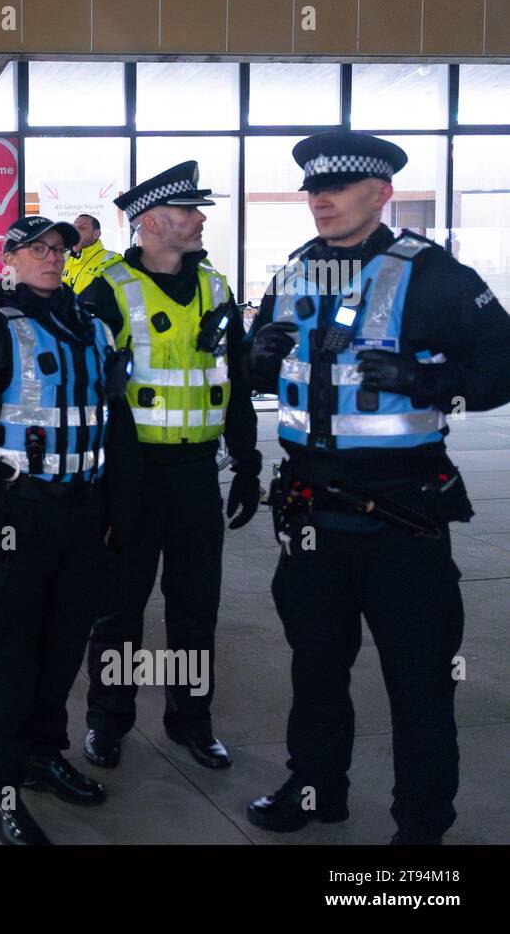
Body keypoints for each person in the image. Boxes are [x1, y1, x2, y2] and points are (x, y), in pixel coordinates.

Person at [243, 131, 510, 845]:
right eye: (311, 189)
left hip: (403, 519)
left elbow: (501, 366)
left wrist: (435, 381)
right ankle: (314, 788)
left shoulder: (434, 274)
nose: (319, 200)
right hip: (308, 516)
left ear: (382, 193)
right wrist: (253, 358)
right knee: (316, 668)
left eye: (337, 188)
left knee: (420, 685)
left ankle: (421, 830)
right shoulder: (296, 271)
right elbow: (272, 374)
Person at [0, 215, 134, 846]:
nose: (52, 257)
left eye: (59, 249)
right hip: (15, 515)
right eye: (38, 249)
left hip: (80, 514)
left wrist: (111, 514)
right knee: (4, 659)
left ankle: (43, 756)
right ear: (12, 258)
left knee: (59, 651)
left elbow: (113, 425)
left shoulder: (93, 329)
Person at [78, 162, 261, 773]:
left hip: (194, 475)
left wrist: (248, 459)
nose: (202, 219)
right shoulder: (104, 292)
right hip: (130, 477)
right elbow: (82, 397)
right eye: (190, 212)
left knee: (195, 604)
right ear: (153, 222)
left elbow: (233, 377)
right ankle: (108, 722)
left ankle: (191, 721)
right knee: (120, 607)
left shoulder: (217, 286)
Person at [62, 213, 121, 296]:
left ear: (96, 234)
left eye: (82, 228)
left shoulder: (113, 259)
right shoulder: (61, 258)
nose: (76, 232)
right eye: (74, 228)